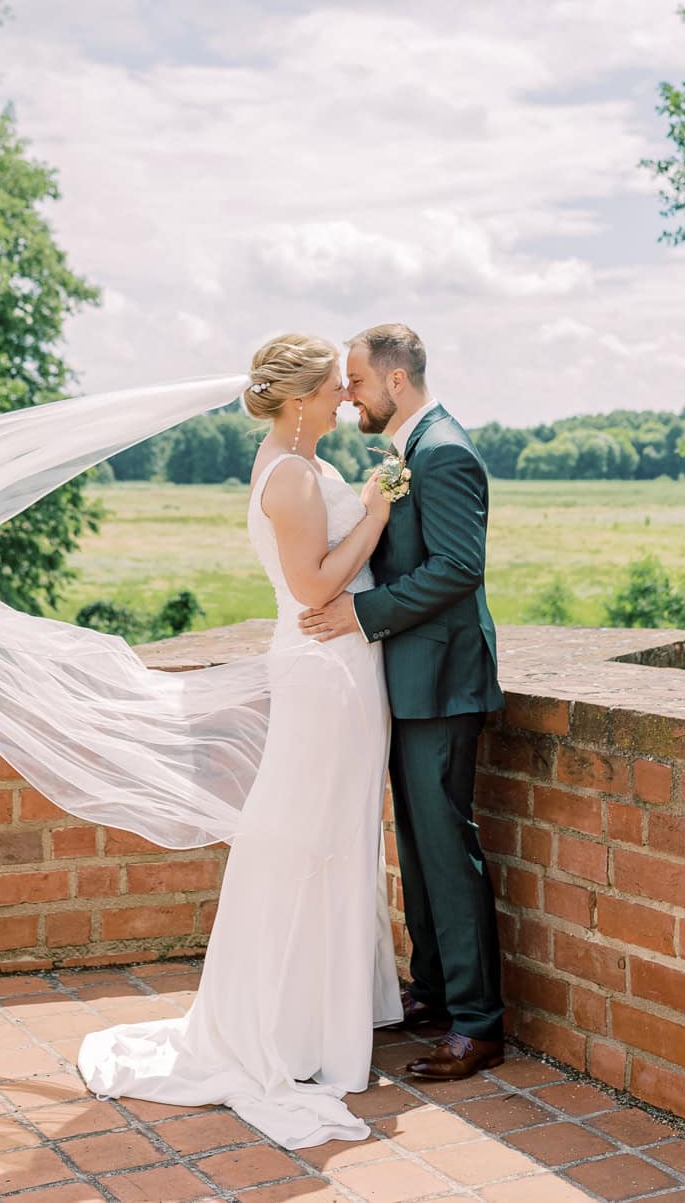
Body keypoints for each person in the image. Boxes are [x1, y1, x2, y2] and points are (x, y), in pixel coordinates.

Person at [77, 333, 403, 1148]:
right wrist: (376, 511)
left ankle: (325, 1020)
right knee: (301, 840)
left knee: (337, 834)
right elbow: (315, 587)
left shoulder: (302, 462)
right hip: (324, 674)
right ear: (298, 399)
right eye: (333, 387)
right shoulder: (291, 477)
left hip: (349, 671)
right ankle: (284, 1029)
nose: (344, 397)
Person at [299, 323, 506, 1082]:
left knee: (449, 852)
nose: (347, 390)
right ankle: (435, 992)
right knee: (417, 851)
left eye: (355, 377)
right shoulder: (408, 452)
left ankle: (479, 1024)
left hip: (444, 682)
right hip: (410, 683)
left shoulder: (444, 452)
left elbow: (458, 567)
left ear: (396, 378)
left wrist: (360, 612)